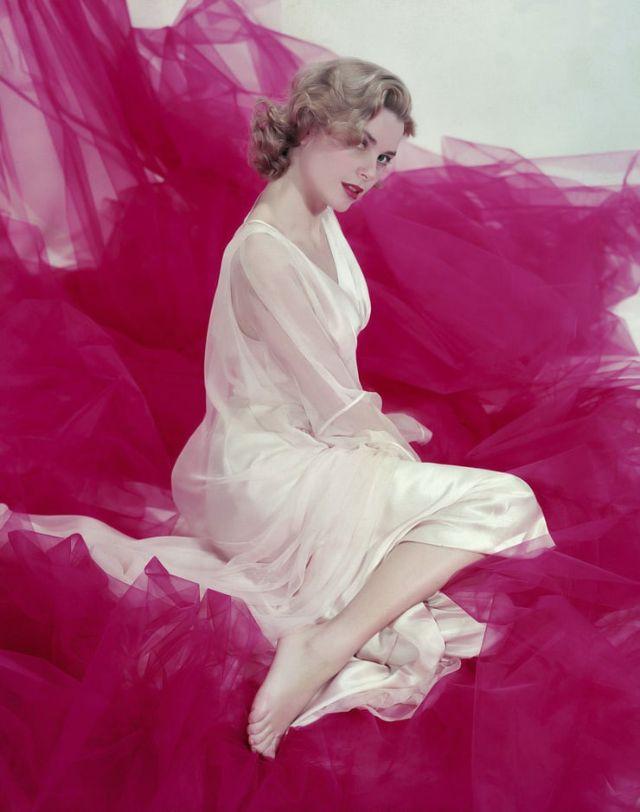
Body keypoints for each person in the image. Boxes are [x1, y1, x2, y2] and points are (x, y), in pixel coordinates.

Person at [172, 57, 555, 759]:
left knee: (433, 608)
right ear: (309, 125)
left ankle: (336, 627)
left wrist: (374, 420)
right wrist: (378, 436)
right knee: (507, 502)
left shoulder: (320, 219)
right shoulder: (265, 251)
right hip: (263, 472)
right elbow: (333, 404)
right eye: (359, 145)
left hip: (312, 440)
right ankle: (321, 645)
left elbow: (320, 377)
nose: (370, 172)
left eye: (383, 158)